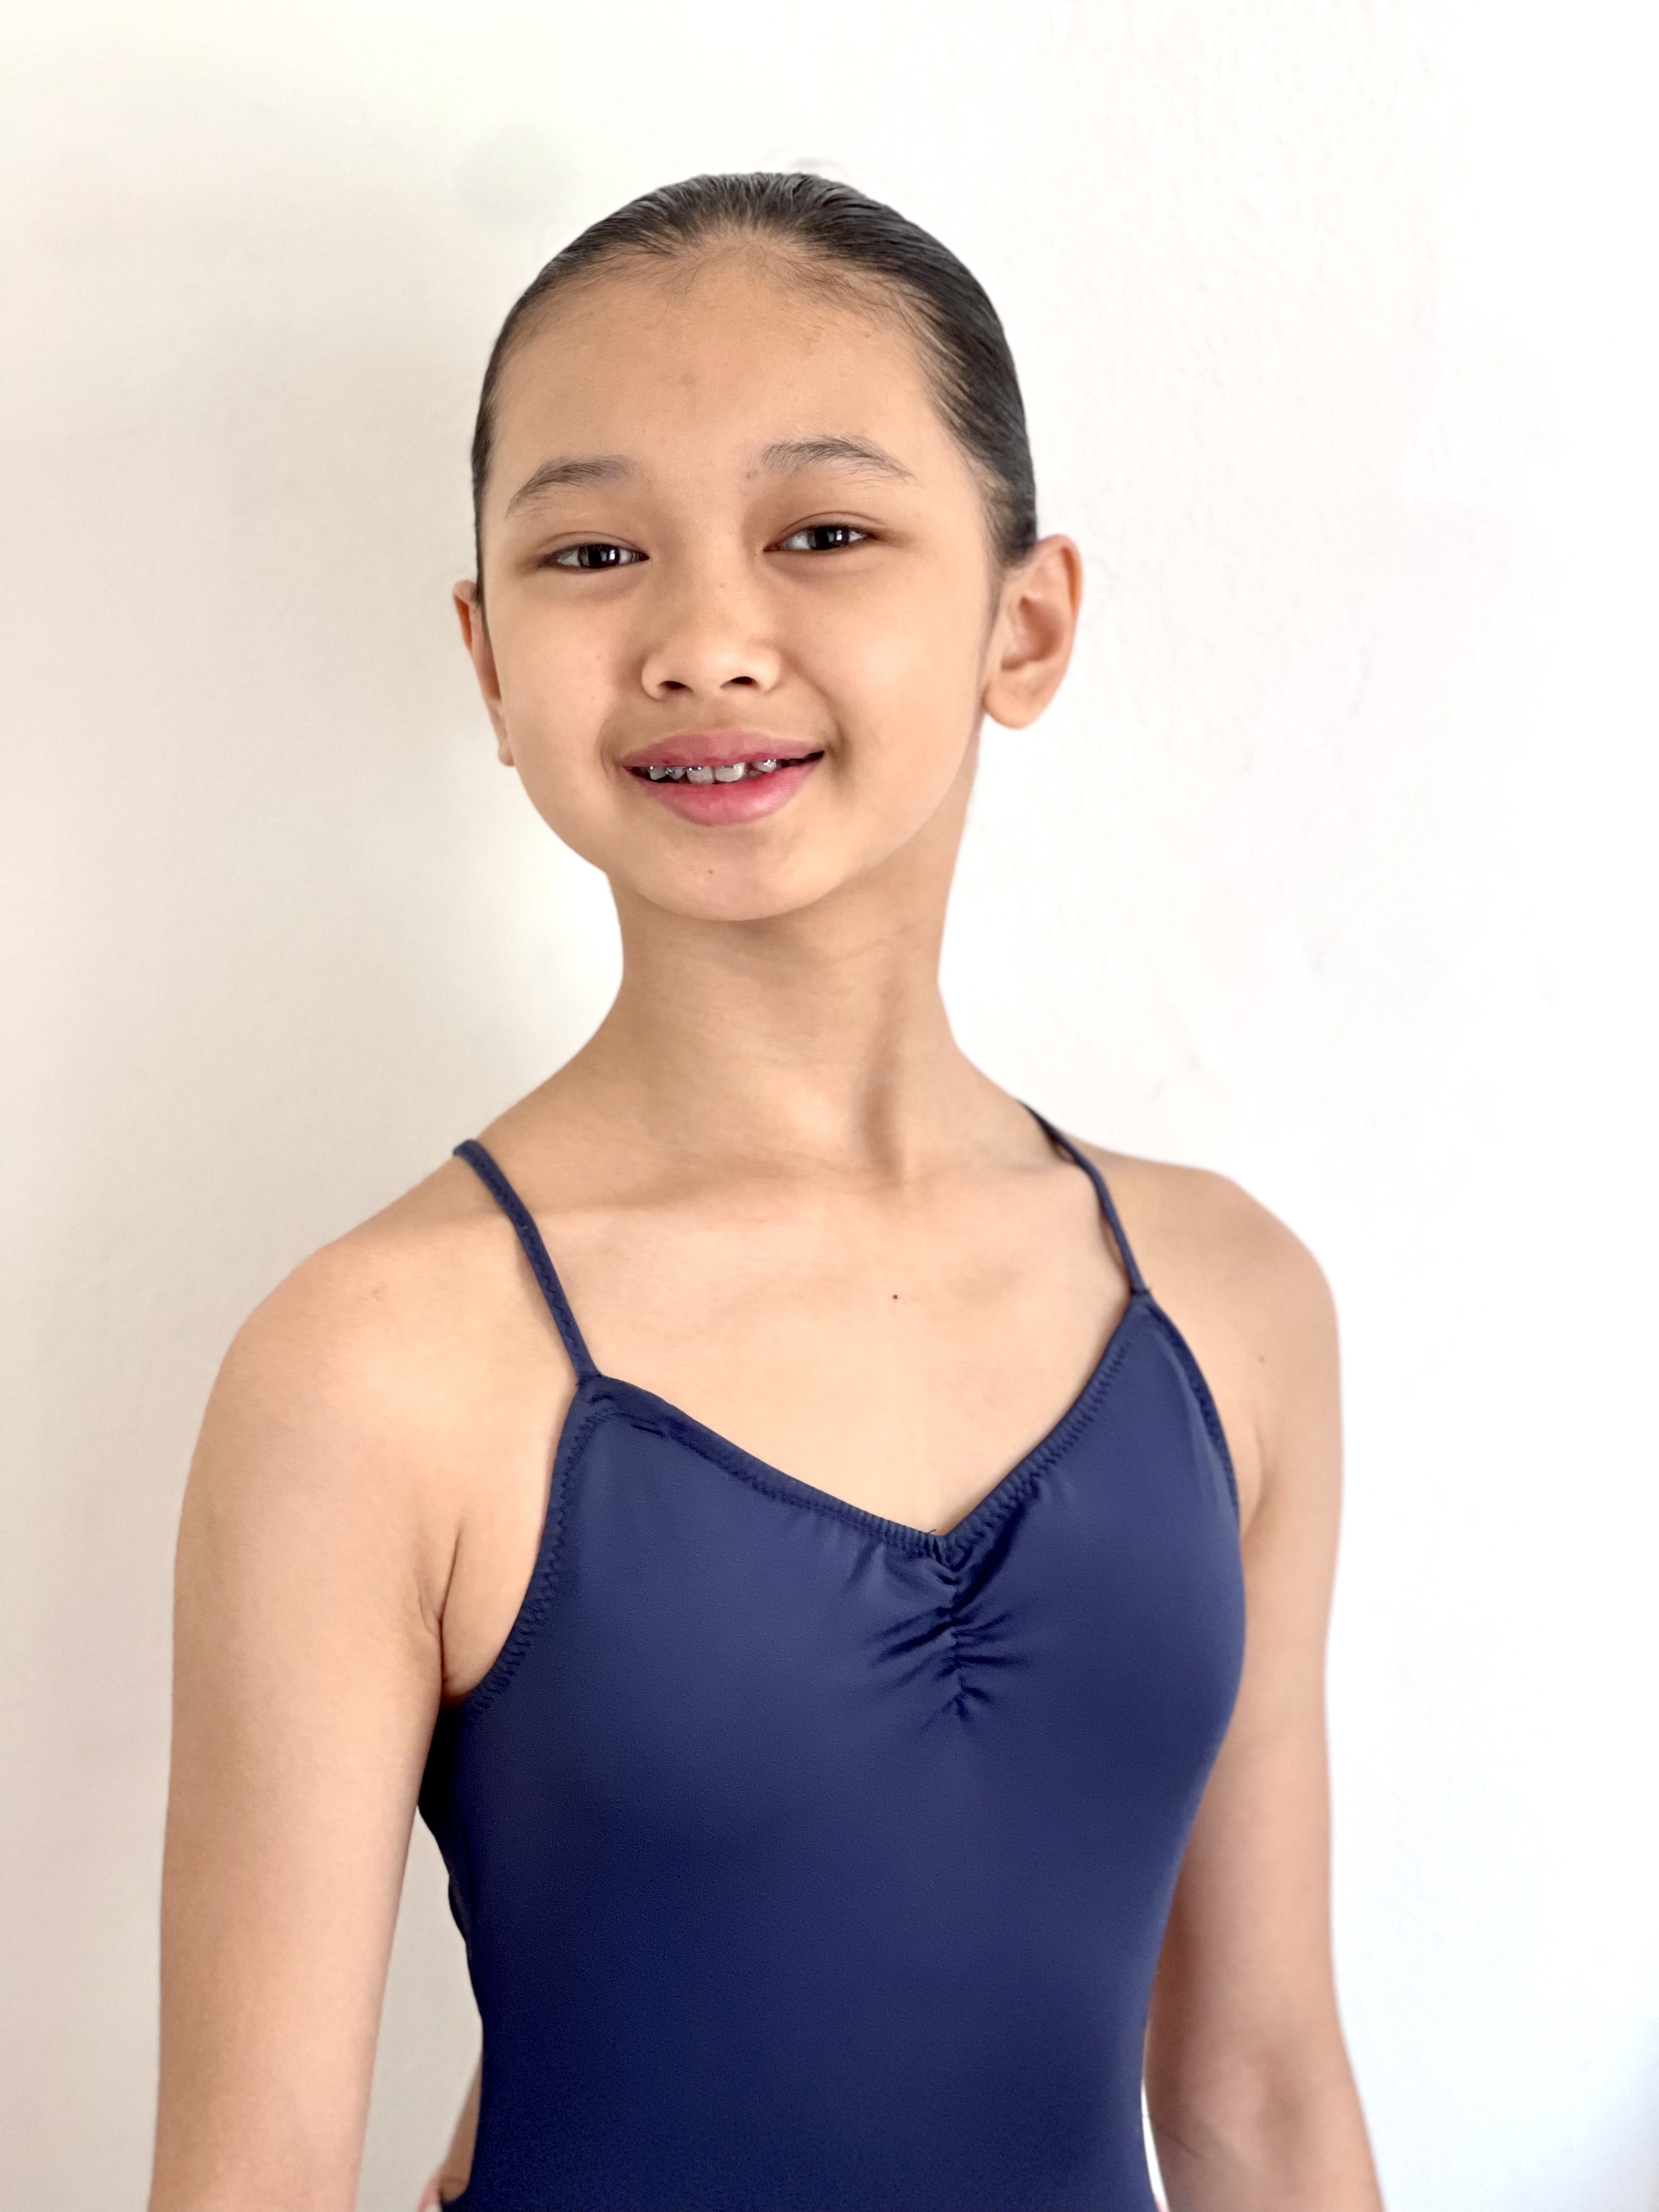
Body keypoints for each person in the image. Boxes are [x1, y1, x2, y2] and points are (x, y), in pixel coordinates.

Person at [150, 172, 1384, 2212]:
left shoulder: (1233, 1307)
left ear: (1024, 622)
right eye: (592, 552)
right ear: (488, 657)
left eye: (824, 533)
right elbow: (247, 2178)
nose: (706, 643)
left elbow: (1261, 2093)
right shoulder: (374, 1371)